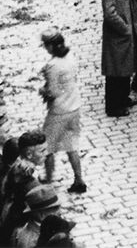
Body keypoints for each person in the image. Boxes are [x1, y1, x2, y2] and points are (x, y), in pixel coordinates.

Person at [39, 30, 86, 194]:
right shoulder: (70, 57)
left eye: (46, 45)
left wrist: (42, 90)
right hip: (74, 106)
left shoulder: (52, 66)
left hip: (58, 111)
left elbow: (52, 92)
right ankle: (79, 179)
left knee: (47, 146)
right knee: (72, 145)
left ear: (51, 46)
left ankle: (48, 180)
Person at [98, 0, 136, 116]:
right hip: (117, 35)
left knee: (124, 69)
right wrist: (125, 29)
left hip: (123, 34)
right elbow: (110, 13)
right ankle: (114, 106)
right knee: (115, 72)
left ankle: (123, 98)